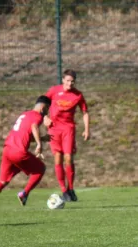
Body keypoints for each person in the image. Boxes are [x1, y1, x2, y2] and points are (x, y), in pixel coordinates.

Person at [0, 96, 52, 212]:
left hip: (7, 150)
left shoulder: (25, 114)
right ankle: (24, 193)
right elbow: (34, 127)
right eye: (48, 109)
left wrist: (42, 138)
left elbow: (25, 135)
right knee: (40, 169)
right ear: (43, 107)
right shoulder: (37, 116)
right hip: (18, 152)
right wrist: (39, 145)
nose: (47, 112)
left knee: (3, 181)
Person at [44, 69, 90, 202]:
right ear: (63, 80)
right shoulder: (53, 91)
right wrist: (45, 117)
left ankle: (71, 188)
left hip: (68, 129)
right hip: (54, 129)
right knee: (58, 158)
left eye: (72, 81)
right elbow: (42, 105)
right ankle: (64, 190)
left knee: (68, 158)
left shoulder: (78, 95)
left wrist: (87, 129)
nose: (70, 84)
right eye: (68, 81)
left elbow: (85, 112)